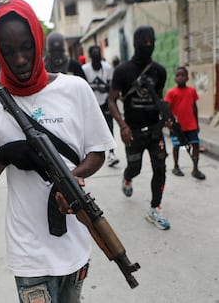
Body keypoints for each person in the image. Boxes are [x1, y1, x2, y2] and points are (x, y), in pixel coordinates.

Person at [0, 0, 115, 302]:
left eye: (26, 47)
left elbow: (98, 152)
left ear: (38, 41)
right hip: (28, 251)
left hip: (75, 243)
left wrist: (71, 179)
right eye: (8, 52)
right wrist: (4, 155)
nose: (19, 59)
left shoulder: (75, 89)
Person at [108, 25, 170, 230]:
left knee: (160, 168)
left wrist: (167, 117)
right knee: (135, 168)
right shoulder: (123, 71)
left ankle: (155, 208)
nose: (148, 45)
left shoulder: (159, 71)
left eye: (151, 41)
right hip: (132, 131)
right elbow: (112, 100)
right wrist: (123, 126)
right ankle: (127, 178)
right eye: (144, 41)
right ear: (135, 43)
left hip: (154, 130)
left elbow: (158, 98)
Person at [164, 66, 206, 180]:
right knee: (176, 146)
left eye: (183, 75)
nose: (180, 77)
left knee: (195, 145)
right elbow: (167, 110)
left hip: (191, 125)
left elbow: (194, 108)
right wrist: (169, 124)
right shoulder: (171, 92)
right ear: (175, 78)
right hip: (177, 126)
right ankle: (176, 166)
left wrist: (197, 124)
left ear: (187, 77)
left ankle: (195, 169)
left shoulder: (191, 91)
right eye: (178, 75)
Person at [82, 45, 119, 167]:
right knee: (90, 129)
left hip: (104, 102)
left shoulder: (107, 68)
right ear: (90, 56)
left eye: (98, 53)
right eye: (94, 53)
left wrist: (104, 89)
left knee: (109, 126)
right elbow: (83, 86)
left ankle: (112, 154)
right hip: (91, 104)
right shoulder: (85, 69)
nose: (96, 55)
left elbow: (110, 86)